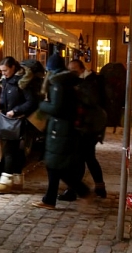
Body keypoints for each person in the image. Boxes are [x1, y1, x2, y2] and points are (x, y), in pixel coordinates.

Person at [32, 53, 90, 210]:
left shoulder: (58, 84)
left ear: (50, 69)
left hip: (60, 131)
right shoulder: (68, 81)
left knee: (56, 166)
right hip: (62, 130)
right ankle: (49, 200)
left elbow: (57, 108)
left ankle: (83, 191)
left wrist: (42, 105)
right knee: (55, 166)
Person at [0, 56, 42, 193]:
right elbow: (5, 98)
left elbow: (31, 102)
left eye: (5, 70)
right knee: (17, 152)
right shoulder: (6, 81)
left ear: (13, 67)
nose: (3, 73)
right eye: (1, 71)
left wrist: (16, 111)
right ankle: (18, 181)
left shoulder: (23, 83)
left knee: (9, 151)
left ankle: (5, 182)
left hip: (18, 122)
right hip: (10, 121)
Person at [67, 58, 107, 199]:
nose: (71, 73)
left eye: (74, 70)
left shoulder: (89, 83)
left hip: (88, 128)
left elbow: (90, 103)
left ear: (82, 70)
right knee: (89, 157)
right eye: (69, 70)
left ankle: (74, 190)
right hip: (90, 127)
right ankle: (100, 187)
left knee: (79, 158)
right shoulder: (87, 81)